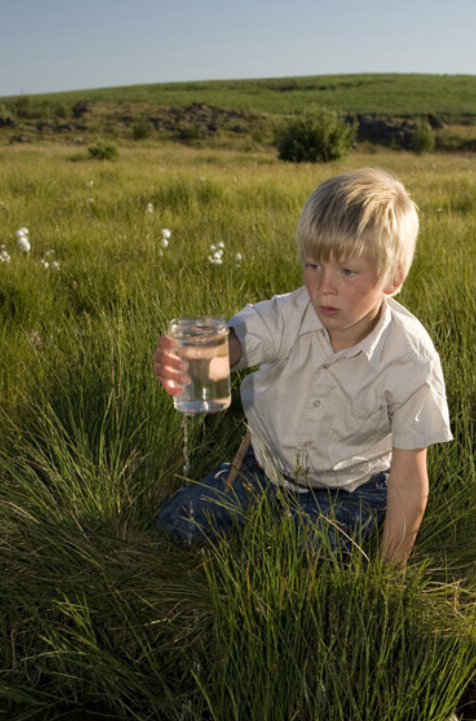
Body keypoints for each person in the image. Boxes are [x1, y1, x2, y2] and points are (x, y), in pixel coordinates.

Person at [151, 167, 452, 567]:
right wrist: (202, 359)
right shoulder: (289, 314)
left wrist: (391, 574)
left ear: (392, 279)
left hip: (353, 487)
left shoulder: (409, 358)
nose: (324, 286)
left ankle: (306, 530)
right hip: (264, 468)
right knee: (178, 522)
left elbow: (409, 478)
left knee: (299, 552)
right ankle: (254, 504)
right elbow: (238, 343)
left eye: (347, 271)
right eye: (313, 266)